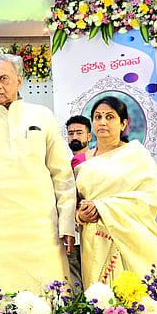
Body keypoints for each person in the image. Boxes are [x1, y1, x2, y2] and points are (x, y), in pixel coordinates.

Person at [0, 54, 76, 293]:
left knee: (45, 299)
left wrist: (67, 223)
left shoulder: (43, 116)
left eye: (3, 79)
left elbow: (62, 177)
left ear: (19, 81)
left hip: (40, 227)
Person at [74, 96, 157, 285]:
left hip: (132, 237)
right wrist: (81, 216)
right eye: (98, 117)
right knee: (100, 303)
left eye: (110, 117)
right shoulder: (82, 161)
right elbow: (74, 203)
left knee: (137, 300)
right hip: (95, 240)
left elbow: (150, 197)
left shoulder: (137, 155)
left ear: (123, 123)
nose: (102, 122)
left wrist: (103, 207)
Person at [65, 114, 92, 285]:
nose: (74, 137)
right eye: (70, 133)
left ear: (89, 136)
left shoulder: (93, 161)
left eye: (79, 133)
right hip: (72, 232)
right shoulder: (65, 164)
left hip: (93, 229)